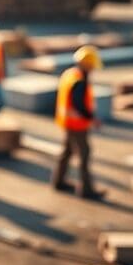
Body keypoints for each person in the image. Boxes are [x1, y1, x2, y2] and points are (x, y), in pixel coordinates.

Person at [51, 45, 105, 199]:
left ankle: (58, 181)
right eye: (92, 66)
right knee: (84, 155)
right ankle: (87, 189)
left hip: (67, 121)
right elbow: (79, 104)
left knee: (67, 152)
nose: (93, 70)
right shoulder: (80, 81)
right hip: (77, 124)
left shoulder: (70, 74)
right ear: (87, 64)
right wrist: (92, 118)